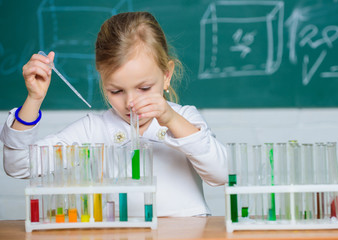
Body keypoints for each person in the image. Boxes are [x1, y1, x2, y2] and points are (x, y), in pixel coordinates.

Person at [0, 12, 227, 217]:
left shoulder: (185, 119)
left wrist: (171, 119)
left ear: (166, 75)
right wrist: (34, 99)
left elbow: (221, 174)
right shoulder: (94, 129)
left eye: (144, 88)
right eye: (116, 91)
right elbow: (18, 165)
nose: (130, 103)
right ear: (102, 81)